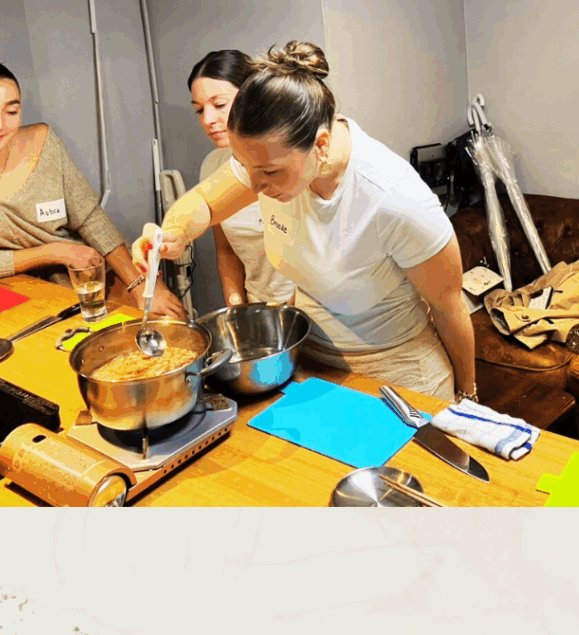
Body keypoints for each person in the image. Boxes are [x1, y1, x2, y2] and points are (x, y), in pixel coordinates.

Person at [135, 41, 475, 401]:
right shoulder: (268, 158)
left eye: (269, 172)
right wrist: (173, 233)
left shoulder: (395, 199)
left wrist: (468, 397)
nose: (254, 186)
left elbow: (449, 308)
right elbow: (203, 202)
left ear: (321, 146)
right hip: (310, 360)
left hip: (397, 370)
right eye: (245, 167)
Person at [0, 52, 185, 319]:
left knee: (164, 323)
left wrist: (141, 285)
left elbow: (90, 218)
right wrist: (52, 252)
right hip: (18, 288)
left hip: (91, 269)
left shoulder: (43, 142)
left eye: (11, 111)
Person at [189, 50, 297, 307]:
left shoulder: (293, 158)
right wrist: (237, 307)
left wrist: (289, 315)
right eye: (199, 110)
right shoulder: (212, 167)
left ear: (253, 97)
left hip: (310, 309)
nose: (208, 120)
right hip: (257, 305)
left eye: (219, 105)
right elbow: (226, 249)